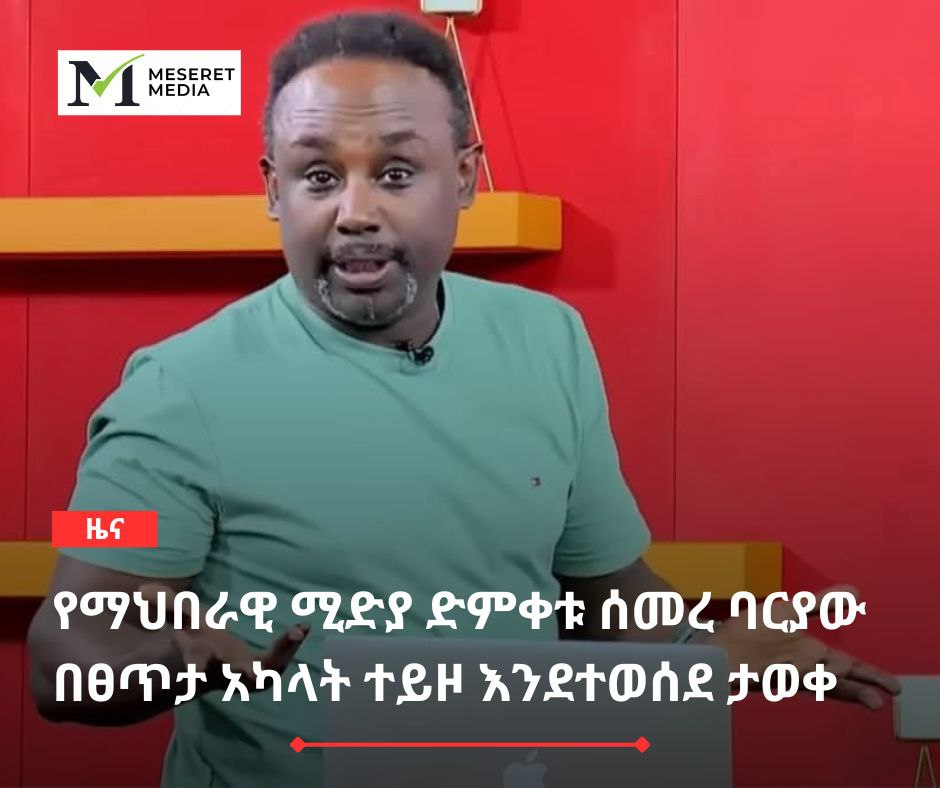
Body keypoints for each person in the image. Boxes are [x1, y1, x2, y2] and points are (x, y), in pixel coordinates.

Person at [27, 10, 900, 788]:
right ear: (272, 190)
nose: (355, 211)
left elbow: (609, 595)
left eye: (397, 173)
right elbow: (63, 655)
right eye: (318, 177)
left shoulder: (549, 341)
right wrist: (170, 657)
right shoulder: (172, 388)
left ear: (467, 177)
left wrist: (702, 652)